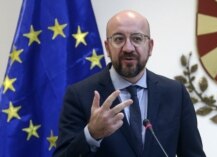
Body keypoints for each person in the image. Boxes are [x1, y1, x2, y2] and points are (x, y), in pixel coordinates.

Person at [53, 10, 206, 157]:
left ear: (150, 46)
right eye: (119, 39)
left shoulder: (175, 93)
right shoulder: (80, 95)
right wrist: (91, 134)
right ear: (107, 47)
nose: (128, 48)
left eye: (137, 38)